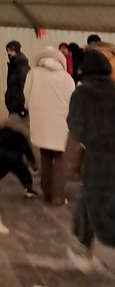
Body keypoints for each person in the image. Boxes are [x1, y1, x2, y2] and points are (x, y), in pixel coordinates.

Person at [67, 49, 115, 273]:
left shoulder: (82, 93)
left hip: (96, 157)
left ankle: (83, 252)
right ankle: (84, 251)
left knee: (91, 203)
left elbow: (76, 128)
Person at [23, 45, 75, 205]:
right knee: (60, 159)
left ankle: (46, 191)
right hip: (61, 122)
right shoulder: (67, 78)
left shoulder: (34, 74)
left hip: (41, 121)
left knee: (45, 156)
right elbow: (73, 101)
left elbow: (26, 95)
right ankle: (58, 196)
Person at [0, 114, 36, 198]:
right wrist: (33, 163)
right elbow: (27, 150)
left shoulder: (2, 132)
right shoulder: (21, 135)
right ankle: (28, 189)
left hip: (3, 157)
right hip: (16, 160)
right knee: (25, 175)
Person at [5, 40, 30, 116]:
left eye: (11, 50)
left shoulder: (22, 67)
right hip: (13, 105)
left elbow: (25, 87)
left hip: (18, 107)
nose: (9, 53)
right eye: (7, 50)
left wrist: (23, 106)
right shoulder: (13, 65)